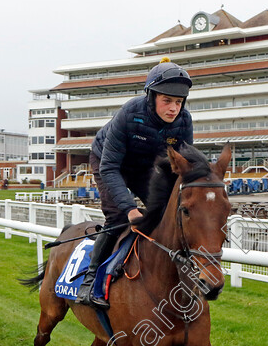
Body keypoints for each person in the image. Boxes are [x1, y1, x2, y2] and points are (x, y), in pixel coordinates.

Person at [76, 58, 193, 309]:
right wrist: (130, 209)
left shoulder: (184, 121)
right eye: (167, 101)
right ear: (151, 97)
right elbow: (109, 167)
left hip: (142, 166)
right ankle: (89, 281)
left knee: (164, 214)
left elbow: (181, 167)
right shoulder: (129, 113)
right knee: (118, 217)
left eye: (178, 102)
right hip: (108, 161)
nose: (174, 109)